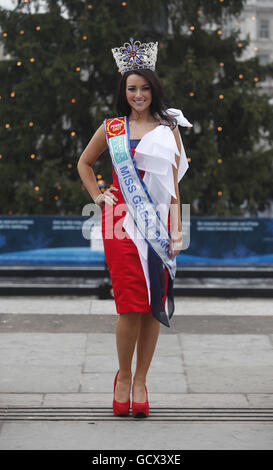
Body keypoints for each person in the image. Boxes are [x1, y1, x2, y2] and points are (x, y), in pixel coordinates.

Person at [77, 38, 192, 418]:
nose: (138, 94)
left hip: (158, 222)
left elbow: (173, 185)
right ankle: (123, 376)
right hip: (120, 225)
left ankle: (142, 379)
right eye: (132, 88)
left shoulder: (168, 126)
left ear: (153, 89)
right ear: (123, 91)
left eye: (144, 88)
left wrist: (178, 230)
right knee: (130, 305)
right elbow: (84, 163)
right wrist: (97, 196)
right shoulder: (112, 128)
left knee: (153, 303)